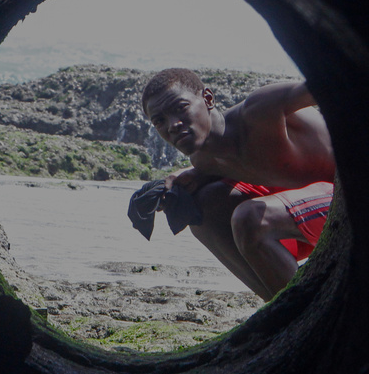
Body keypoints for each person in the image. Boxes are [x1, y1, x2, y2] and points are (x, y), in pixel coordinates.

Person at [141, 68, 335, 300]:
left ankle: (309, 307)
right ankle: (285, 304)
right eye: (159, 121)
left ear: (208, 99)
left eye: (180, 108)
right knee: (200, 213)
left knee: (250, 218)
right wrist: (178, 184)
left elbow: (335, 84)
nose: (172, 125)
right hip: (310, 221)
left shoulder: (260, 110)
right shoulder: (203, 161)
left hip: (356, 197)